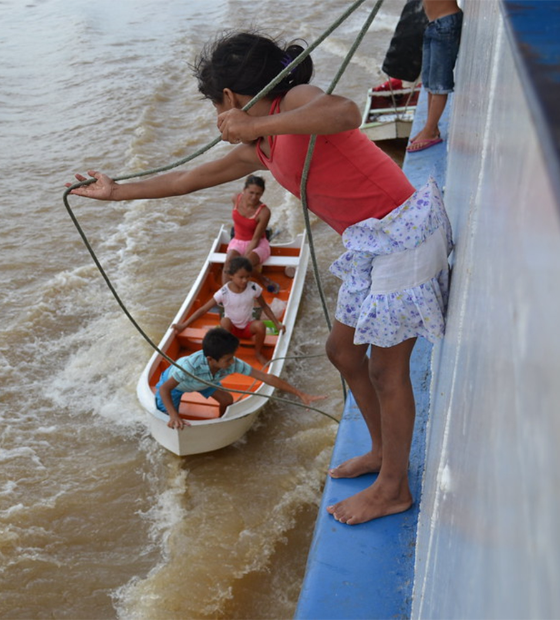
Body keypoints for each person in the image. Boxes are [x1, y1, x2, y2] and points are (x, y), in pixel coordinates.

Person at [67, 31, 453, 525]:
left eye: (216, 105)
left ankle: (393, 489)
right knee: (343, 352)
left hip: (405, 234)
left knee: (385, 370)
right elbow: (189, 179)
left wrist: (260, 120)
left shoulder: (294, 102)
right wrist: (117, 192)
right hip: (371, 244)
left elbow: (345, 113)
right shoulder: (263, 146)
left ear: (229, 98)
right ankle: (382, 454)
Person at [156, 327, 324, 430]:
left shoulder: (232, 363)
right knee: (167, 418)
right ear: (210, 360)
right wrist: (174, 416)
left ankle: (218, 423)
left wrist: (300, 394)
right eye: (227, 360)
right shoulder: (189, 367)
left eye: (232, 358)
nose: (232, 363)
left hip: (205, 382)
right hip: (177, 385)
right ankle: (174, 416)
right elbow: (165, 389)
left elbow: (266, 377)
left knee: (227, 399)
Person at [173, 256, 285, 366]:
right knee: (224, 321)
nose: (245, 280)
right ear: (231, 276)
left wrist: (277, 324)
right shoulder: (224, 292)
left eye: (248, 277)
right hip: (231, 330)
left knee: (260, 326)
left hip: (247, 328)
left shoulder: (253, 288)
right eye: (241, 277)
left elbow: (265, 306)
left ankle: (258, 353)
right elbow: (203, 310)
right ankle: (227, 354)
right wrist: (184, 325)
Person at [406, 0, 463, 152]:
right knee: (429, 81)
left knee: (439, 83)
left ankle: (430, 131)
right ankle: (431, 127)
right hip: (431, 24)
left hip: (446, 23)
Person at [225, 174, 280, 293]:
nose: (254, 197)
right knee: (228, 263)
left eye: (258, 194)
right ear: (244, 190)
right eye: (251, 192)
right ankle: (225, 295)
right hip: (237, 240)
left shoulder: (264, 212)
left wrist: (243, 259)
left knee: (244, 266)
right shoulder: (235, 198)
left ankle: (262, 279)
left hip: (257, 244)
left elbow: (256, 239)